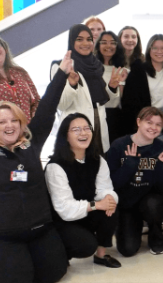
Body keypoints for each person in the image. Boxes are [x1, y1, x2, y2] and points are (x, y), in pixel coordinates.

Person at [0, 51, 71, 283]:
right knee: (20, 278)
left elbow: (47, 110)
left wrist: (61, 75)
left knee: (54, 273)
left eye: (14, 120)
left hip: (37, 229)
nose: (9, 125)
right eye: (2, 122)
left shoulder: (31, 143)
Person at [45, 113, 121, 268]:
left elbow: (105, 188)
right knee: (86, 246)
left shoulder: (97, 159)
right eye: (76, 129)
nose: (83, 133)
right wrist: (96, 205)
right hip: (61, 220)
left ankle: (101, 255)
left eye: (87, 128)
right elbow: (64, 209)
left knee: (111, 207)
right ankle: (61, 250)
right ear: (65, 136)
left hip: (85, 211)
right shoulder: (55, 166)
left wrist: (109, 199)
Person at [106, 107, 163, 256]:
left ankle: (156, 235)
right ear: (138, 122)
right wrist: (129, 165)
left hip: (151, 200)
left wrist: (162, 166)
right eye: (149, 122)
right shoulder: (119, 146)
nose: (153, 127)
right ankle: (130, 225)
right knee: (127, 249)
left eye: (158, 124)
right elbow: (112, 183)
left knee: (152, 205)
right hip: (127, 202)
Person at [58, 24, 126, 153]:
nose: (85, 43)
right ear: (71, 41)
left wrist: (112, 88)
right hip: (77, 129)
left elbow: (106, 103)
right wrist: (72, 85)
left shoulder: (96, 66)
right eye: (79, 39)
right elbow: (61, 104)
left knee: (100, 166)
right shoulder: (61, 66)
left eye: (89, 39)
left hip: (99, 126)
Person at [121, 34, 163, 144]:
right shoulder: (138, 71)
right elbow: (129, 103)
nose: (159, 51)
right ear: (149, 50)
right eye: (155, 48)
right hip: (141, 125)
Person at [0, 34, 41, 124]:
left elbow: (37, 100)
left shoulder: (20, 72)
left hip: (28, 131)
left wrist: (34, 120)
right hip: (1, 133)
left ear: (5, 49)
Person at [95, 31, 127, 143]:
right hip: (95, 118)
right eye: (104, 42)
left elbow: (120, 102)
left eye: (112, 43)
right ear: (98, 46)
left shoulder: (123, 71)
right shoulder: (92, 69)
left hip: (116, 122)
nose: (108, 46)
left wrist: (121, 85)